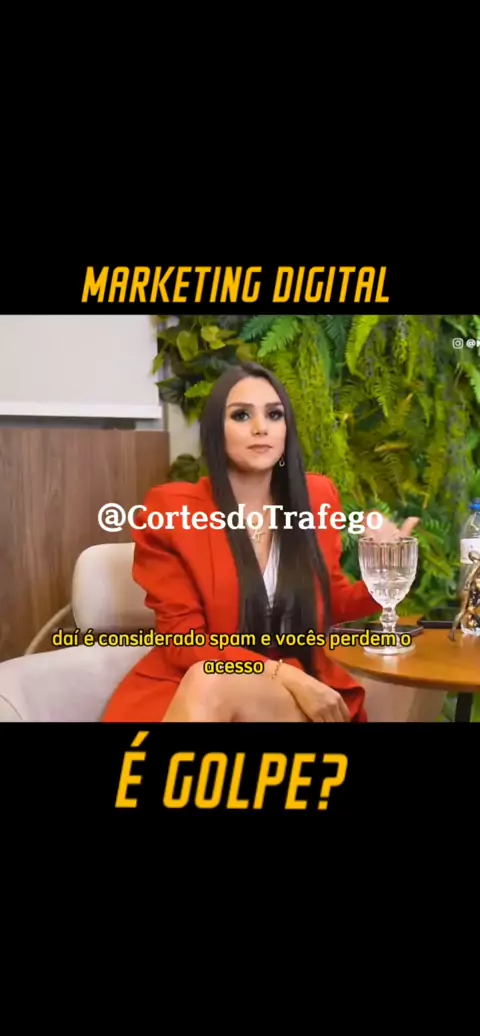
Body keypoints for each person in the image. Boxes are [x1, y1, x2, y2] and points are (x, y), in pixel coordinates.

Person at [102, 362, 419, 723]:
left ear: (286, 430)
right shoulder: (172, 509)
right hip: (193, 686)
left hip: (286, 696)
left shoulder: (316, 498)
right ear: (215, 431)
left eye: (274, 414)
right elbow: (184, 641)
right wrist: (279, 673)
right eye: (241, 415)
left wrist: (389, 571)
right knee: (210, 682)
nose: (260, 428)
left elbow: (330, 600)